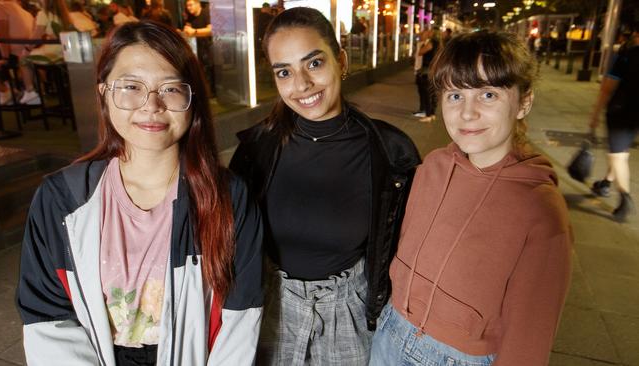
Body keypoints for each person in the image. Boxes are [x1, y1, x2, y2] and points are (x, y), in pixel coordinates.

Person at [16, 20, 263, 365]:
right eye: (131, 86)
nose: (151, 105)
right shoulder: (63, 199)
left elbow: (241, 315)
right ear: (103, 92)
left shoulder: (227, 196)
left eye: (171, 88)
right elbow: (46, 315)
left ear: (191, 99)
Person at [229, 7, 420, 365]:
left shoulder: (391, 153)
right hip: (272, 310)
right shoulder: (255, 150)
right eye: (284, 72)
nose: (301, 85)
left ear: (341, 60)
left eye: (314, 64)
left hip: (351, 314)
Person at [370, 30, 572, 366]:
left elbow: (530, 335)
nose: (467, 113)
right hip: (392, 331)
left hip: (458, 357)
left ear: (524, 103)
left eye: (488, 95)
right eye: (454, 96)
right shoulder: (432, 167)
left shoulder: (540, 209)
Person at [589, 23, 638, 221]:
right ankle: (606, 182)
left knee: (618, 155)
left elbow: (607, 88)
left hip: (621, 110)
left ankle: (625, 199)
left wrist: (595, 114)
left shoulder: (626, 55)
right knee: (621, 149)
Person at [0, 0, 34, 105]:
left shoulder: (0, 6)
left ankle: (5, 90)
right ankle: (8, 87)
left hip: (13, 53)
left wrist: (5, 58)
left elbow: (2, 34)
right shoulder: (26, 13)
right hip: (26, 53)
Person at [182, 0, 213, 95]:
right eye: (187, 6)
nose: (188, 8)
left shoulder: (206, 13)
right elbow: (187, 29)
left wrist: (194, 31)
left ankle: (211, 92)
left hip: (209, 47)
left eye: (190, 5)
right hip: (196, 48)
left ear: (198, 4)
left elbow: (211, 30)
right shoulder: (190, 16)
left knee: (210, 71)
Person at [412, 28, 440, 120]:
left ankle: (428, 114)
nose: (428, 33)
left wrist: (421, 43)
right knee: (430, 93)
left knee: (426, 93)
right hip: (430, 70)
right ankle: (430, 113)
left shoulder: (432, 43)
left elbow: (420, 52)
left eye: (429, 32)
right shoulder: (438, 43)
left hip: (426, 71)